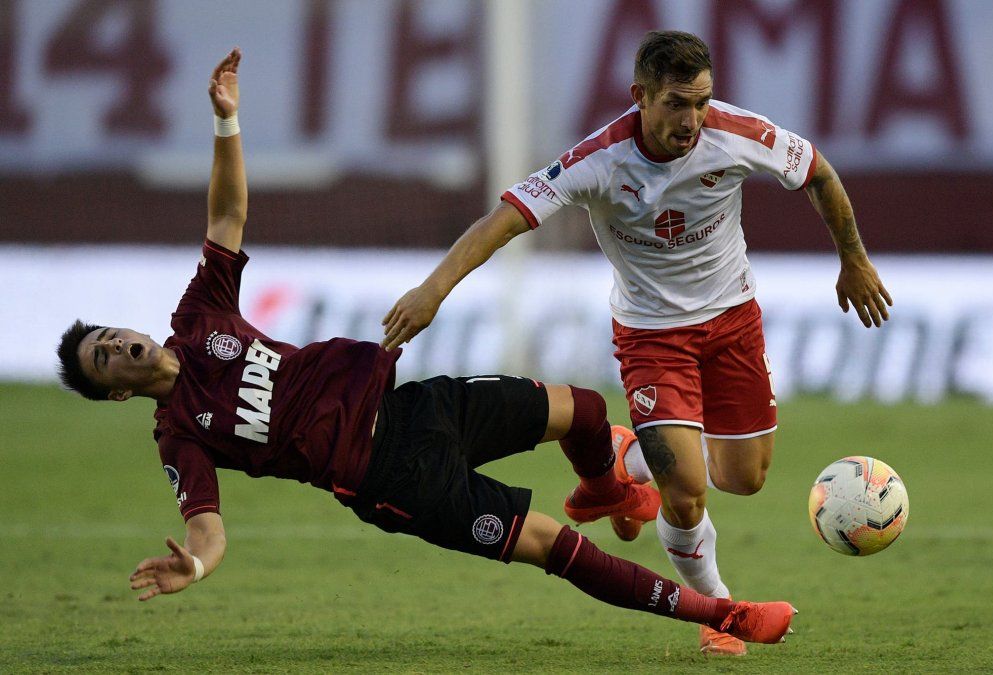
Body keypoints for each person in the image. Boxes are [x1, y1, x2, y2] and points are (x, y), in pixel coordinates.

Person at [54, 48, 798, 650]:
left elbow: (227, 214)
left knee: (582, 409)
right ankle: (721, 616)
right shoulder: (179, 432)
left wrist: (226, 124)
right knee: (553, 546)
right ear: (117, 390)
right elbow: (207, 525)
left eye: (110, 335)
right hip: (395, 479)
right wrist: (193, 562)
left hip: (413, 402)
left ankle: (606, 486)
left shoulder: (196, 317)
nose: (118, 345)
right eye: (104, 359)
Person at [381, 31, 890, 655]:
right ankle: (718, 611)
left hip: (733, 320)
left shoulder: (737, 135)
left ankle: (626, 459)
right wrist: (434, 290)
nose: (693, 120)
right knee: (687, 491)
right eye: (677, 103)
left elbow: (817, 171)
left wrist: (854, 259)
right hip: (652, 337)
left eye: (702, 101)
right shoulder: (599, 160)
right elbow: (504, 219)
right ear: (640, 96)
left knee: (744, 477)